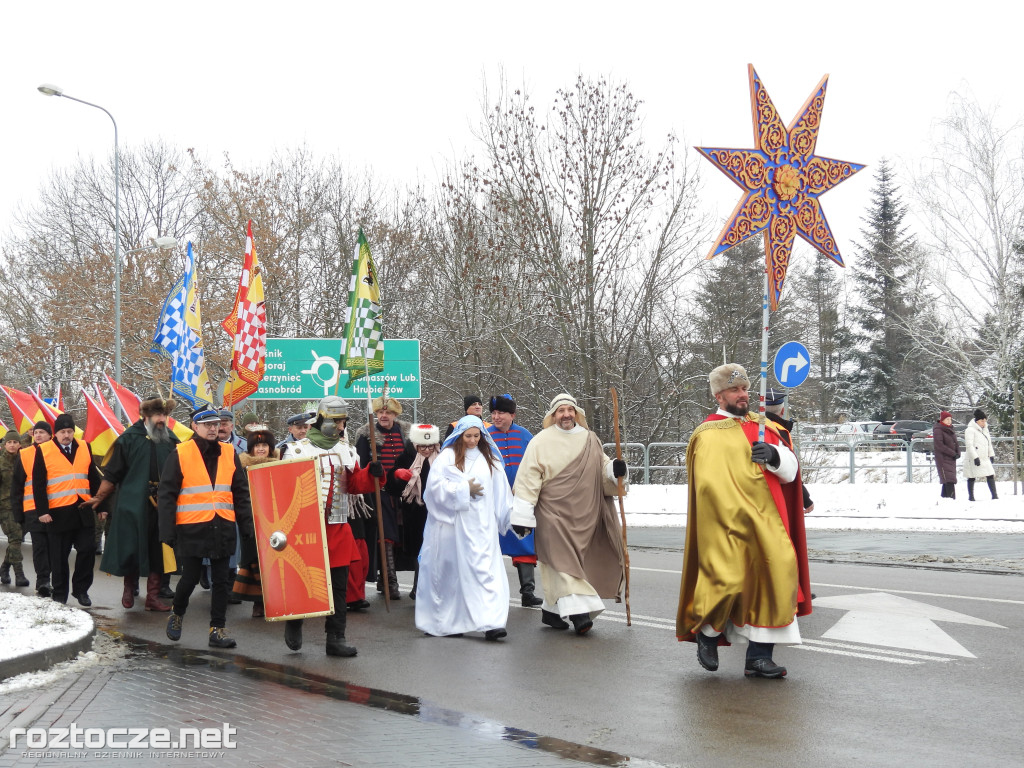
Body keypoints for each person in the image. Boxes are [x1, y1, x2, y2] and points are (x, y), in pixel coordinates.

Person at [675, 364, 811, 679]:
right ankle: (707, 634)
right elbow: (706, 486)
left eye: (745, 389)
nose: (743, 395)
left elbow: (790, 470)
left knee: (776, 572)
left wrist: (775, 456)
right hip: (726, 523)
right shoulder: (707, 434)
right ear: (719, 395)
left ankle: (760, 657)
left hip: (768, 521)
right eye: (735, 390)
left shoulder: (766, 427)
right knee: (727, 580)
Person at [511, 393, 627, 635]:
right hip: (552, 513)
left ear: (576, 413)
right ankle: (580, 615)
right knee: (564, 565)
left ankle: (551, 611)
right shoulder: (540, 442)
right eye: (560, 410)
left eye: (570, 410)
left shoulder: (590, 439)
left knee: (565, 566)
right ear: (553, 415)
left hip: (585, 513)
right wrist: (522, 515)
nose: (566, 414)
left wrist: (615, 470)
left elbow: (602, 467)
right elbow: (527, 479)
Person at [277, 396, 377, 656]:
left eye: (343, 421)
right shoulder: (297, 451)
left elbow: (354, 486)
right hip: (305, 527)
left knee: (339, 586)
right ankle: (294, 621)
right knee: (304, 581)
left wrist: (372, 474)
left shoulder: (346, 449)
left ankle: (336, 637)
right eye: (337, 421)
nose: (341, 426)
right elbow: (283, 492)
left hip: (337, 526)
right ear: (322, 420)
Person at [159, 407, 255, 649]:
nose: (214, 428)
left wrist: (247, 525)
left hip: (222, 525)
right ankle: (177, 613)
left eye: (216, 424)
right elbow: (167, 494)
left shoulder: (229, 452)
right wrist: (167, 530)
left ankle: (217, 629)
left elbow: (241, 492)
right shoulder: (180, 452)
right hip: (192, 527)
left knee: (222, 581)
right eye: (208, 425)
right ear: (195, 426)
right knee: (190, 578)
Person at [417, 415, 512, 640]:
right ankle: (448, 622)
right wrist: (462, 489)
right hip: (454, 526)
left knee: (486, 573)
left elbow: (502, 493)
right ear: (460, 435)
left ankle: (491, 622)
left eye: (476, 436)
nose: (472, 440)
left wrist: (512, 517)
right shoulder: (447, 457)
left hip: (483, 527)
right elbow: (433, 489)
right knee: (452, 575)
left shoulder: (491, 460)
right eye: (468, 436)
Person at [88, 395, 180, 612]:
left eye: (164, 415)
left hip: (162, 506)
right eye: (158, 414)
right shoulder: (128, 439)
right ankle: (129, 589)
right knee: (131, 547)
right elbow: (112, 474)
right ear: (145, 416)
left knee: (159, 550)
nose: (161, 419)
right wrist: (99, 498)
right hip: (132, 505)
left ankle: (153, 598)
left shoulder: (172, 441)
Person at [29, 414, 103, 606]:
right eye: (63, 432)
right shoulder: (45, 450)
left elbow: (94, 478)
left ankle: (81, 590)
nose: (67, 435)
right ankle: (60, 594)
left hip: (83, 510)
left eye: (70, 431)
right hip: (57, 513)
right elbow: (38, 484)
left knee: (88, 549)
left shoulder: (84, 447)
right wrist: (42, 511)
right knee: (59, 557)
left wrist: (101, 505)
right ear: (56, 433)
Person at [486, 394, 542, 607]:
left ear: (512, 415)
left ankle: (527, 592)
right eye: (493, 413)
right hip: (494, 500)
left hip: (521, 499)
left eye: (500, 413)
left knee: (524, 541)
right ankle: (490, 592)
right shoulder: (485, 436)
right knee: (491, 543)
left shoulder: (525, 435)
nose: (495, 417)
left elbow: (537, 464)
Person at [354, 396, 411, 599]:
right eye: (380, 413)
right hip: (380, 493)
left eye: (388, 413)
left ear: (395, 415)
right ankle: (389, 582)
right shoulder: (366, 435)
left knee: (401, 538)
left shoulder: (406, 434)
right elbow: (360, 466)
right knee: (385, 537)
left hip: (404, 493)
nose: (384, 416)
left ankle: (388, 579)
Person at [385, 424, 442, 600]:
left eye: (430, 446)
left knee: (437, 551)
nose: (426, 450)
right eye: (422, 446)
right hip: (415, 512)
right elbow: (392, 489)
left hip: (438, 511)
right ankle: (419, 587)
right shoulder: (406, 458)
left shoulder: (443, 459)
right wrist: (396, 476)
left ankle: (430, 588)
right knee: (420, 551)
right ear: (416, 445)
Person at [234, 427, 279, 618]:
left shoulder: (279, 465)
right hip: (251, 520)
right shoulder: (242, 468)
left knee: (274, 563)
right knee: (255, 562)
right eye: (257, 445)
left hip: (274, 521)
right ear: (251, 448)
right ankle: (258, 603)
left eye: (265, 445)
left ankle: (275, 601)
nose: (261, 449)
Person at [12, 421, 54, 596]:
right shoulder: (25, 454)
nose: (38, 435)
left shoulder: (56, 452)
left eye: (42, 432)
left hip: (55, 508)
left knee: (54, 547)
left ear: (50, 435)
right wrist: (17, 512)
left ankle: (52, 578)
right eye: (35, 432)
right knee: (40, 546)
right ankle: (43, 580)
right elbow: (17, 484)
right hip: (32, 509)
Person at [764, 388, 814, 514]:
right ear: (782, 410)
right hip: (777, 493)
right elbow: (790, 467)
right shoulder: (780, 431)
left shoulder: (756, 427)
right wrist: (805, 498)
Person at [0, 431, 30, 587]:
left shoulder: (24, 460)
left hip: (23, 506)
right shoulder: (0, 462)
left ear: (20, 444)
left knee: (15, 541)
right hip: (5, 507)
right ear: (5, 444)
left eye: (15, 442)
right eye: (9, 442)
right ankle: (19, 574)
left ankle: (4, 568)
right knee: (16, 537)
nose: (12, 445)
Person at [964, 409, 996, 501]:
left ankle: (994, 495)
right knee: (971, 476)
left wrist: (991, 454)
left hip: (984, 457)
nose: (984, 422)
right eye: (982, 421)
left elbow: (988, 443)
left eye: (985, 420)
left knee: (990, 474)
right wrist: (975, 457)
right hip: (974, 457)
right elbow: (969, 445)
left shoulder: (985, 430)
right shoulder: (970, 430)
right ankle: (971, 496)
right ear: (977, 420)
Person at [934, 410, 960, 500]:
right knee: (949, 480)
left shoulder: (950, 429)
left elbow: (955, 442)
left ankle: (944, 499)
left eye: (950, 419)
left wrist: (958, 452)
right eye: (947, 419)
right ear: (942, 420)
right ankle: (951, 499)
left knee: (949, 479)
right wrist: (953, 453)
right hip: (943, 459)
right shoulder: (938, 430)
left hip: (951, 459)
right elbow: (940, 445)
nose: (949, 421)